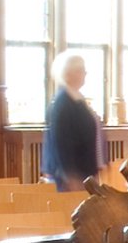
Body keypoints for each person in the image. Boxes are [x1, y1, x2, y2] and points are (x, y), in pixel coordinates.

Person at [43, 51, 104, 192]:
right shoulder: (62, 103)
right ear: (67, 74)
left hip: (83, 172)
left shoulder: (77, 99)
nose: (85, 74)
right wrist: (70, 176)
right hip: (69, 178)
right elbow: (61, 142)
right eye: (80, 70)